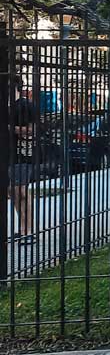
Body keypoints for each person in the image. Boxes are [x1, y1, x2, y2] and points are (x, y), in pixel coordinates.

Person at [6, 75, 36, 245]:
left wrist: (8, 128)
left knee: (21, 192)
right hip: (7, 154)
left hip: (22, 153)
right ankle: (23, 228)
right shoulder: (5, 107)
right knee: (13, 191)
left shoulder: (25, 105)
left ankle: (28, 230)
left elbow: (31, 130)